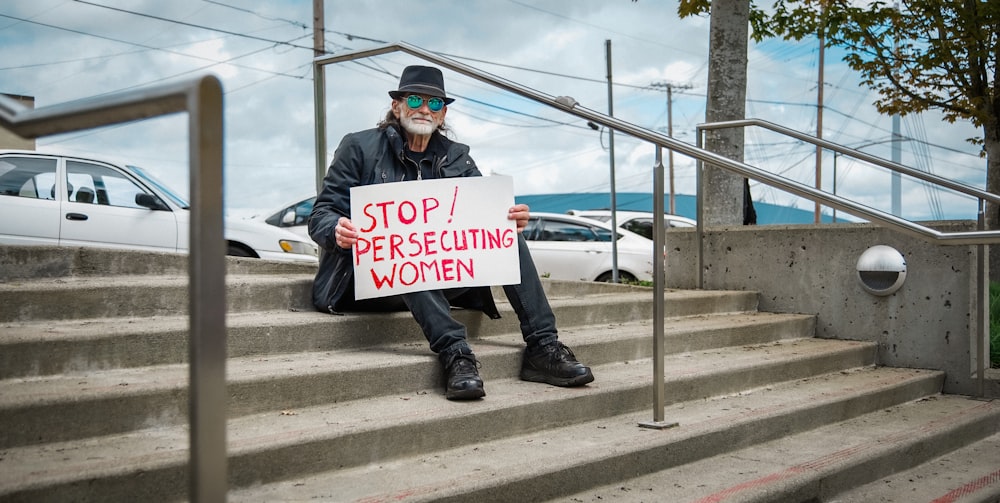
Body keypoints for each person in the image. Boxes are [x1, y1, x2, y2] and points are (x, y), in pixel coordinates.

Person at [308, 65, 594, 400]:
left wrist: (508, 218)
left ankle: (543, 348)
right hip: (365, 280)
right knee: (409, 244)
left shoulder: (456, 156)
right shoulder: (359, 147)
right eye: (415, 99)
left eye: (435, 104)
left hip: (437, 279)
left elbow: (484, 215)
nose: (425, 109)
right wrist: (336, 230)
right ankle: (456, 354)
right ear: (397, 106)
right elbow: (320, 214)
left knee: (507, 236)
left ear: (443, 115)